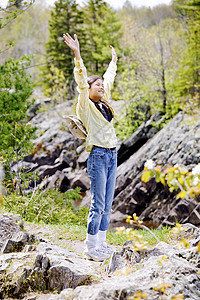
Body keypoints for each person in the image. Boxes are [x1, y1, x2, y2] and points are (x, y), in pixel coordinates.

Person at [63, 33, 118, 262]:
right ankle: (90, 246)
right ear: (89, 88)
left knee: (108, 202)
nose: (102, 87)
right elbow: (81, 78)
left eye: (101, 86)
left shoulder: (105, 104)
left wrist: (114, 62)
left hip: (112, 154)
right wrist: (77, 54)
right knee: (97, 203)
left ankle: (102, 244)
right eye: (97, 85)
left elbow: (109, 78)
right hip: (97, 156)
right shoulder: (85, 105)